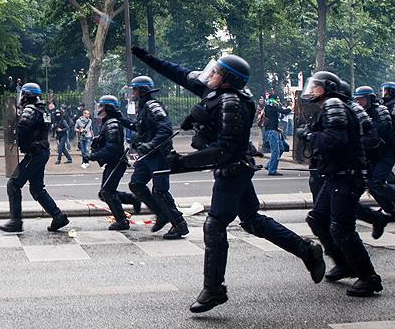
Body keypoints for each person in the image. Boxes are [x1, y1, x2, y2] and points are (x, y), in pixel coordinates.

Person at [132, 46, 325, 312]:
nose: (210, 74)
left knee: (214, 225)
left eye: (217, 72)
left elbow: (226, 150)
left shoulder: (232, 102)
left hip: (233, 169)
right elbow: (178, 73)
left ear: (227, 79)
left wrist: (183, 162)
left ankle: (213, 290)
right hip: (232, 169)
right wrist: (143, 55)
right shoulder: (214, 92)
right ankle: (306, 250)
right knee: (253, 221)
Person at [296, 71, 382, 297]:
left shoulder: (333, 104)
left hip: (346, 175)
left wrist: (308, 135)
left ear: (328, 87)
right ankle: (344, 263)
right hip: (337, 175)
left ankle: (368, 277)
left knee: (342, 228)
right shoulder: (331, 105)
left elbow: (335, 140)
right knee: (317, 219)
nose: (312, 90)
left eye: (316, 86)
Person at [120, 75, 188, 240]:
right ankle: (161, 213)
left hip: (159, 155)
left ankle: (179, 224)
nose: (132, 93)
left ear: (143, 90)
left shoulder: (153, 106)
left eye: (135, 89)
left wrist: (150, 144)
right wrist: (120, 119)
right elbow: (141, 129)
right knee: (136, 184)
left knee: (160, 191)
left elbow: (165, 130)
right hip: (147, 156)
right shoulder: (143, 107)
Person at [0, 82, 69, 233]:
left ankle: (16, 222)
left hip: (35, 153)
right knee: (37, 188)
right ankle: (58, 216)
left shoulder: (30, 110)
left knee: (13, 184)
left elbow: (21, 130)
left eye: (22, 94)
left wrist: (11, 128)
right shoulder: (41, 109)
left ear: (26, 96)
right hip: (41, 151)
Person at [352, 86, 395, 231]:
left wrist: (364, 131)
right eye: (357, 99)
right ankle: (389, 210)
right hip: (371, 154)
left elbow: (381, 131)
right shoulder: (360, 112)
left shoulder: (380, 110)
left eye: (362, 99)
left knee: (377, 182)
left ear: (369, 98)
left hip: (385, 152)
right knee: (370, 185)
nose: (359, 101)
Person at [83, 95, 140, 230]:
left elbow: (112, 148)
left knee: (107, 192)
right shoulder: (108, 123)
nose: (99, 109)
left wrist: (93, 156)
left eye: (101, 106)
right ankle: (132, 199)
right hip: (113, 163)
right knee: (105, 193)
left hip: (117, 162)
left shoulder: (112, 123)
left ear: (108, 108)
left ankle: (122, 221)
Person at [261, 98, 291, 176]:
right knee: (276, 151)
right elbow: (285, 111)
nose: (277, 102)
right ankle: (272, 170)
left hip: (274, 131)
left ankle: (269, 165)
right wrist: (292, 106)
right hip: (272, 133)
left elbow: (273, 120)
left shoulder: (268, 108)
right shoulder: (271, 108)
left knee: (281, 148)